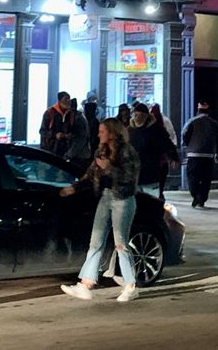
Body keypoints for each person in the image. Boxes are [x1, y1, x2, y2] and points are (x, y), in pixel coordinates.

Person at [58, 117, 141, 303]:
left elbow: (130, 179)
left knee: (121, 243)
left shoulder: (128, 152)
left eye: (102, 131)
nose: (99, 134)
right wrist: (73, 188)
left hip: (123, 200)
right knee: (95, 241)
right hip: (106, 197)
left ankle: (130, 286)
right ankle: (85, 285)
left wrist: (110, 168)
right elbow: (90, 175)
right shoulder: (101, 151)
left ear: (112, 133)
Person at [129, 102, 177, 197]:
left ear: (146, 116)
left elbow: (167, 143)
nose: (138, 118)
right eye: (136, 115)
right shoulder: (130, 131)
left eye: (141, 115)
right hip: (134, 174)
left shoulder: (156, 130)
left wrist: (173, 156)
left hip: (151, 172)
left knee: (151, 203)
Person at [181, 101, 218, 208]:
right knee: (206, 179)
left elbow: (184, 135)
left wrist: (188, 146)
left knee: (192, 176)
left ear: (198, 110)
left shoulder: (192, 121)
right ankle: (201, 198)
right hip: (208, 155)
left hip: (193, 154)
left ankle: (195, 195)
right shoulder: (214, 123)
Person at [149, 104, 177, 197]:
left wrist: (173, 155)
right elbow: (170, 138)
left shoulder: (156, 126)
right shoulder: (162, 125)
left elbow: (170, 138)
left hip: (156, 160)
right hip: (160, 160)